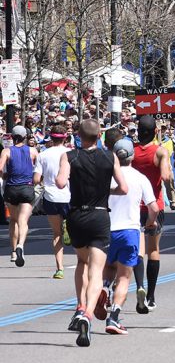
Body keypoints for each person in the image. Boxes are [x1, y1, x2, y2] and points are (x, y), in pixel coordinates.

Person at [55, 119, 129, 347]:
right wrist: (106, 191)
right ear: (100, 136)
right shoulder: (111, 157)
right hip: (99, 215)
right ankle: (88, 312)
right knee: (97, 270)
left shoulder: (70, 156)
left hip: (77, 215)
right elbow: (124, 188)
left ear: (79, 136)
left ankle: (79, 306)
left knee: (81, 262)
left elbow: (59, 182)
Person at [102, 139, 159, 334]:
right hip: (129, 230)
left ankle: (104, 287)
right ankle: (114, 317)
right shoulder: (140, 177)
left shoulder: (106, 176)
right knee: (125, 276)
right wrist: (151, 222)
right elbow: (154, 207)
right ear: (132, 156)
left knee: (108, 266)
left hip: (106, 229)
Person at [131, 115, 174, 313]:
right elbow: (165, 176)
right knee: (153, 250)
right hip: (154, 205)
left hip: (134, 206)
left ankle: (139, 284)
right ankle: (151, 296)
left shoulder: (131, 151)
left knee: (138, 250)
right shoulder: (160, 152)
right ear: (155, 132)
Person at [33, 124, 71, 279]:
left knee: (56, 234)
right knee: (77, 231)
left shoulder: (43, 155)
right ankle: (69, 227)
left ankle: (59, 269)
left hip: (51, 197)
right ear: (65, 138)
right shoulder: (71, 153)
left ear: (51, 138)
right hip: (69, 196)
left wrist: (42, 182)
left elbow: (36, 179)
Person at [3, 124, 39, 267]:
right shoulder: (33, 151)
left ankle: (12, 252)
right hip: (27, 187)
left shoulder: (6, 151)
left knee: (13, 220)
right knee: (23, 220)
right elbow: (38, 169)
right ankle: (21, 246)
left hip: (11, 188)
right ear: (25, 137)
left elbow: (0, 168)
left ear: (12, 137)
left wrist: (5, 174)